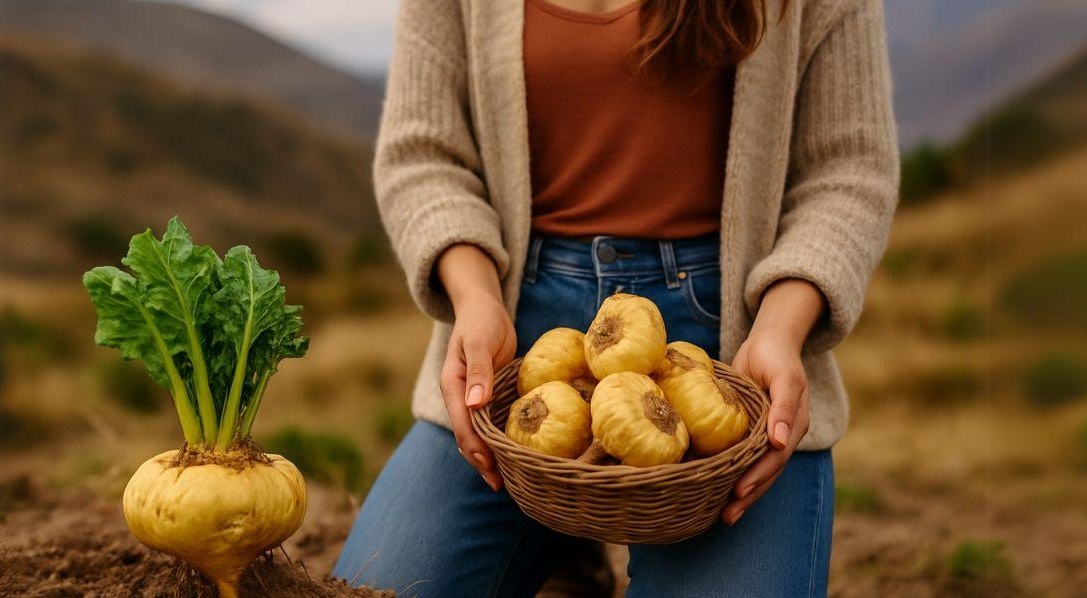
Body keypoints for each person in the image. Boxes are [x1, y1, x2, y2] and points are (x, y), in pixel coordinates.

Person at [333, 0, 898, 595]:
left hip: (733, 352)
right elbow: (422, 155)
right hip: (515, 353)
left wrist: (780, 331)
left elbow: (849, 172)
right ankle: (557, 546)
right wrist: (475, 298)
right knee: (382, 586)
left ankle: (557, 548)